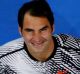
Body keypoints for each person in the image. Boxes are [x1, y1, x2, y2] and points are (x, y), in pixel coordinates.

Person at [0, 0, 80, 74]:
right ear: (20, 31)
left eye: (43, 30)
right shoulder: (3, 59)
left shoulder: (77, 50)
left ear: (52, 28)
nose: (37, 38)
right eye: (29, 30)